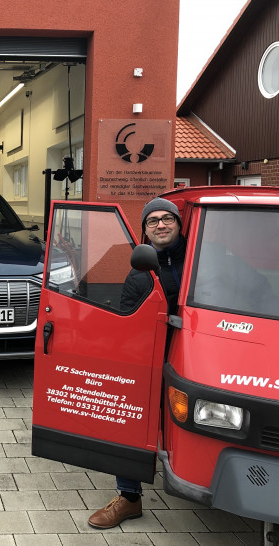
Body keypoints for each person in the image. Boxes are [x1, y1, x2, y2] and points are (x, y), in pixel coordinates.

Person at [88, 196, 186, 529]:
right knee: (130, 418)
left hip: (200, 360)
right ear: (144, 231)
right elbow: (126, 325)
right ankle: (129, 497)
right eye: (153, 221)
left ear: (179, 223)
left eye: (167, 219)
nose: (161, 225)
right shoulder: (139, 274)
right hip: (156, 359)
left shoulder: (204, 260)